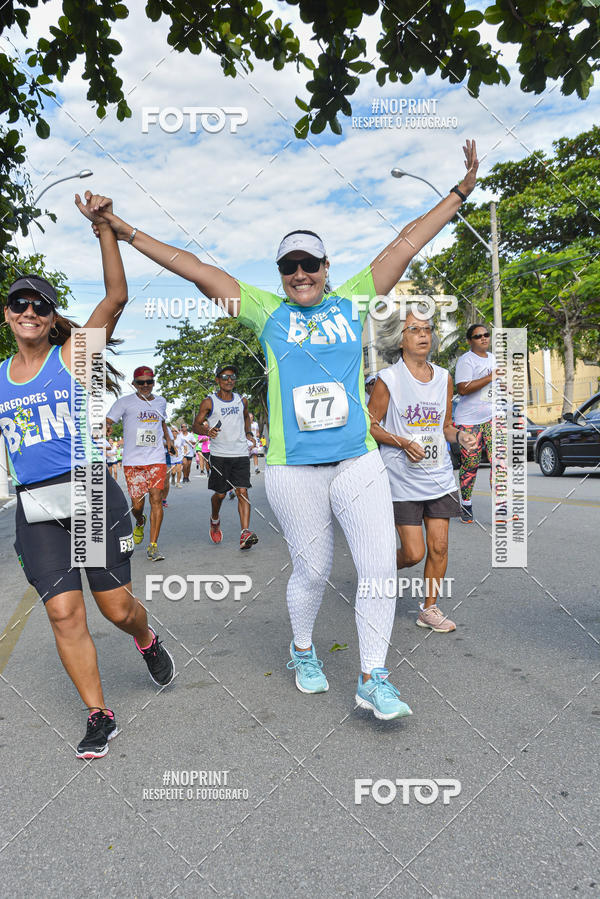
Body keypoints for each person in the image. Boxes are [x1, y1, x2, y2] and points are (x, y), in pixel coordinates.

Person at [88, 139, 478, 719]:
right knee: (314, 570)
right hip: (295, 470)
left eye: (309, 265)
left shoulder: (353, 300)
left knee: (376, 568)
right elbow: (195, 269)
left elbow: (409, 239)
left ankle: (375, 675)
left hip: (357, 460)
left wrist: (461, 190)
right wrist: (120, 229)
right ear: (281, 274)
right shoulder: (266, 311)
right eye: (289, 267)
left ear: (326, 269)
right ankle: (302, 649)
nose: (300, 274)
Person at [0, 191, 174, 759]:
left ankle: (145, 639)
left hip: (90, 495)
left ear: (51, 319)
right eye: (18, 302)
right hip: (36, 507)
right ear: (6, 312)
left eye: (40, 305)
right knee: (61, 611)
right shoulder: (1, 376)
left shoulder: (72, 356)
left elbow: (116, 297)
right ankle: (100, 714)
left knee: (115, 608)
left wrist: (104, 228)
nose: (29, 311)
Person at [368, 311, 477, 633]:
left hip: (439, 475)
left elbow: (444, 426)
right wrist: (401, 442)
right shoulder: (388, 380)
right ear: (400, 339)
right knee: (414, 553)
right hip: (402, 479)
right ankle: (378, 569)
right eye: (414, 329)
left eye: (427, 329)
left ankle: (429, 609)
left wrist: (461, 436)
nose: (423, 334)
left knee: (440, 547)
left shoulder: (444, 377)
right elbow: (370, 426)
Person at [106, 365, 173, 561]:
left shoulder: (161, 402)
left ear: (153, 382)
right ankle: (140, 520)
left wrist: (168, 440)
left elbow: (162, 422)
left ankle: (153, 546)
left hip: (156, 459)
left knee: (156, 499)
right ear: (134, 383)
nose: (145, 386)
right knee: (137, 505)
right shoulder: (125, 403)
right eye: (141, 382)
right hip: (133, 461)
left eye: (149, 382)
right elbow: (109, 419)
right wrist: (107, 426)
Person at [192, 364, 258, 549]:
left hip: (240, 453)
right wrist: (206, 430)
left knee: (242, 491)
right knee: (220, 495)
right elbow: (195, 426)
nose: (229, 380)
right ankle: (214, 519)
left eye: (232, 376)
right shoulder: (209, 402)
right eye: (225, 376)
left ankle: (245, 533)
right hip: (220, 455)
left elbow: (246, 417)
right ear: (217, 380)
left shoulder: (241, 400)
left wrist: (248, 433)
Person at [454, 324, 499, 523]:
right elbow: (462, 389)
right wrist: (490, 377)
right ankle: (466, 502)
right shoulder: (466, 361)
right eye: (477, 336)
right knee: (471, 464)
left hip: (492, 418)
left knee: (500, 463)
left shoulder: (494, 359)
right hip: (469, 421)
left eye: (486, 335)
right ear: (470, 340)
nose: (483, 338)